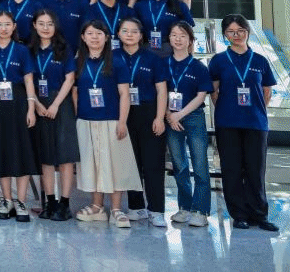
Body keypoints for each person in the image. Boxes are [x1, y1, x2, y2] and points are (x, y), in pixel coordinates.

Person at [209, 14, 279, 231]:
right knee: (231, 169)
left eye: (240, 31)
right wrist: (228, 109)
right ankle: (239, 215)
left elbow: (267, 92)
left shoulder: (260, 60)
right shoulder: (219, 60)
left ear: (247, 32)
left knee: (255, 170)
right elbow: (214, 91)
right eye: (231, 32)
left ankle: (259, 214)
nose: (236, 35)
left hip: (255, 123)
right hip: (228, 122)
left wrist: (254, 110)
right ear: (225, 35)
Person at [73, 20, 139, 227]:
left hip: (111, 120)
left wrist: (122, 122)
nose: (94, 37)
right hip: (86, 121)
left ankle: (117, 209)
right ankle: (97, 207)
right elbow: (75, 93)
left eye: (99, 33)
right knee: (92, 165)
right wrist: (77, 118)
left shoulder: (117, 61)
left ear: (107, 37)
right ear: (83, 37)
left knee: (115, 165)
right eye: (90, 33)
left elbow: (124, 94)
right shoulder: (78, 62)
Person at [113, 17, 169, 226]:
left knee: (153, 162)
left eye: (134, 31)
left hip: (148, 112)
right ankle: (136, 207)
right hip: (122, 114)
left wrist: (159, 117)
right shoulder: (112, 57)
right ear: (118, 34)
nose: (129, 35)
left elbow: (161, 90)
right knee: (130, 162)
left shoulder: (153, 58)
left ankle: (156, 209)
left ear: (141, 35)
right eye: (125, 31)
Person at [0, 11, 38, 222]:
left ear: (14, 26)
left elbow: (28, 81)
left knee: (22, 150)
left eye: (7, 24)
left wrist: (31, 108)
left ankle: (21, 201)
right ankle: (6, 200)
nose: (4, 28)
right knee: (2, 151)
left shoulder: (22, 50)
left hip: (18, 102)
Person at [29, 10, 79, 221]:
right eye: (41, 23)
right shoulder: (29, 50)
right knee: (46, 156)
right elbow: (27, 81)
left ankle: (64, 204)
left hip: (61, 103)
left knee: (65, 156)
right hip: (39, 103)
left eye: (50, 23)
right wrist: (37, 104)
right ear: (34, 25)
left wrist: (56, 104)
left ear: (55, 26)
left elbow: (70, 79)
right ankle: (50, 202)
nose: (46, 28)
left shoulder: (64, 49)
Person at [164, 22, 210, 227]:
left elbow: (201, 96)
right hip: (170, 118)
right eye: (174, 35)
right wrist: (169, 115)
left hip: (193, 117)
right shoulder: (163, 64)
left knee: (200, 164)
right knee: (179, 165)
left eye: (183, 35)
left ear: (190, 40)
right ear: (169, 39)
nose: (178, 39)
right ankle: (184, 207)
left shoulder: (198, 67)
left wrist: (179, 114)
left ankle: (201, 210)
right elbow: (159, 92)